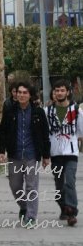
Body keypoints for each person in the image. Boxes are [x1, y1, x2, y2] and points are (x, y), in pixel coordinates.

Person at [0, 80, 50, 228]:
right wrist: (1, 151)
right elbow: (3, 132)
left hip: (32, 155)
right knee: (15, 186)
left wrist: (46, 156)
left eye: (25, 93)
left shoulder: (38, 112)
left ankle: (31, 216)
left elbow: (45, 135)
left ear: (30, 95)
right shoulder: (10, 111)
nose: (21, 95)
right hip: (14, 154)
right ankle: (24, 206)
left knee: (32, 187)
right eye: (19, 92)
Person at [45, 78, 83, 226]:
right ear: (54, 93)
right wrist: (45, 155)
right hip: (55, 152)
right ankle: (63, 207)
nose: (59, 93)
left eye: (62, 90)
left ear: (68, 92)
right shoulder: (47, 111)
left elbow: (80, 132)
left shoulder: (77, 111)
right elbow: (45, 133)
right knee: (59, 185)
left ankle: (72, 211)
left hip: (71, 152)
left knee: (70, 181)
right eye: (57, 90)